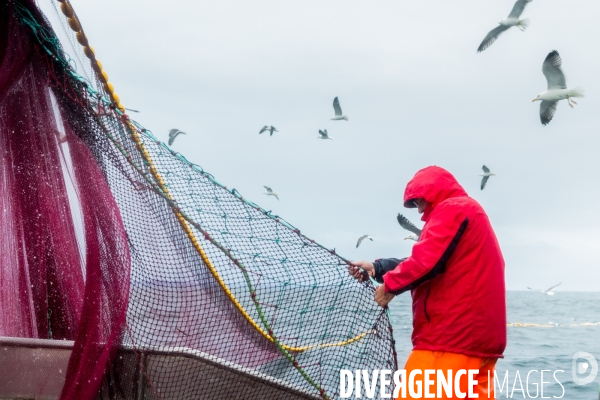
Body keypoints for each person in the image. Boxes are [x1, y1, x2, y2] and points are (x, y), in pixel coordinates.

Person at [349, 166, 506, 399]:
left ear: (431, 193)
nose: (418, 209)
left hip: (449, 340)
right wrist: (378, 268)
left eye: (419, 201)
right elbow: (434, 259)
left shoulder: (453, 208)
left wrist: (390, 285)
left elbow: (426, 261)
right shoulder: (469, 211)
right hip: (479, 346)